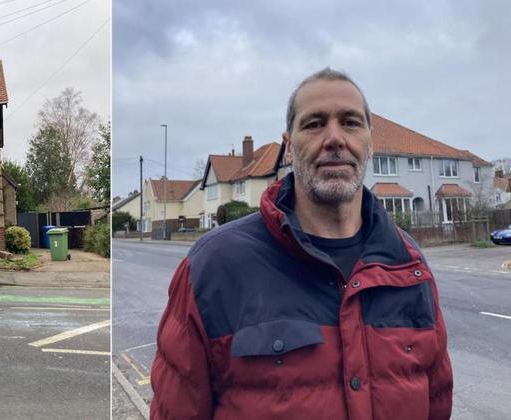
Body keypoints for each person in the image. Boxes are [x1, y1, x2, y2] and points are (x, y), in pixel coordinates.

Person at [150, 68, 453, 419]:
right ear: (289, 148)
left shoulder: (409, 266)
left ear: (370, 142)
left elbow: (437, 405)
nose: (335, 138)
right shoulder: (214, 266)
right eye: (314, 124)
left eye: (351, 123)